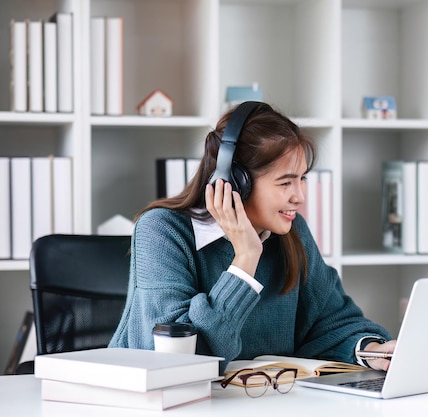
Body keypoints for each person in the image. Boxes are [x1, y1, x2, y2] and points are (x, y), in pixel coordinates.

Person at [109, 101, 396, 373]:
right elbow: (179, 360)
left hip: (261, 403)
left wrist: (374, 351)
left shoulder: (292, 233)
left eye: (302, 179)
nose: (300, 197)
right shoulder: (162, 231)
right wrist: (245, 258)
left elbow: (331, 322)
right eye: (286, 182)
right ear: (235, 183)